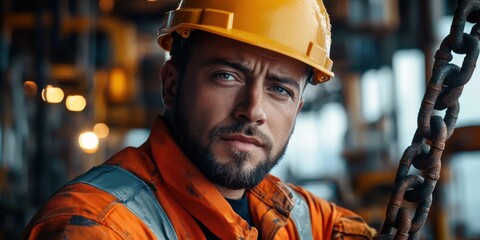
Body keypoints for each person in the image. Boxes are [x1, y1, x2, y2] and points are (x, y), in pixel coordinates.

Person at [23, 0, 378, 239]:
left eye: (279, 90)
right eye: (227, 76)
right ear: (172, 86)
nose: (253, 110)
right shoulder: (100, 226)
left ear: (297, 109)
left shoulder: (295, 218)